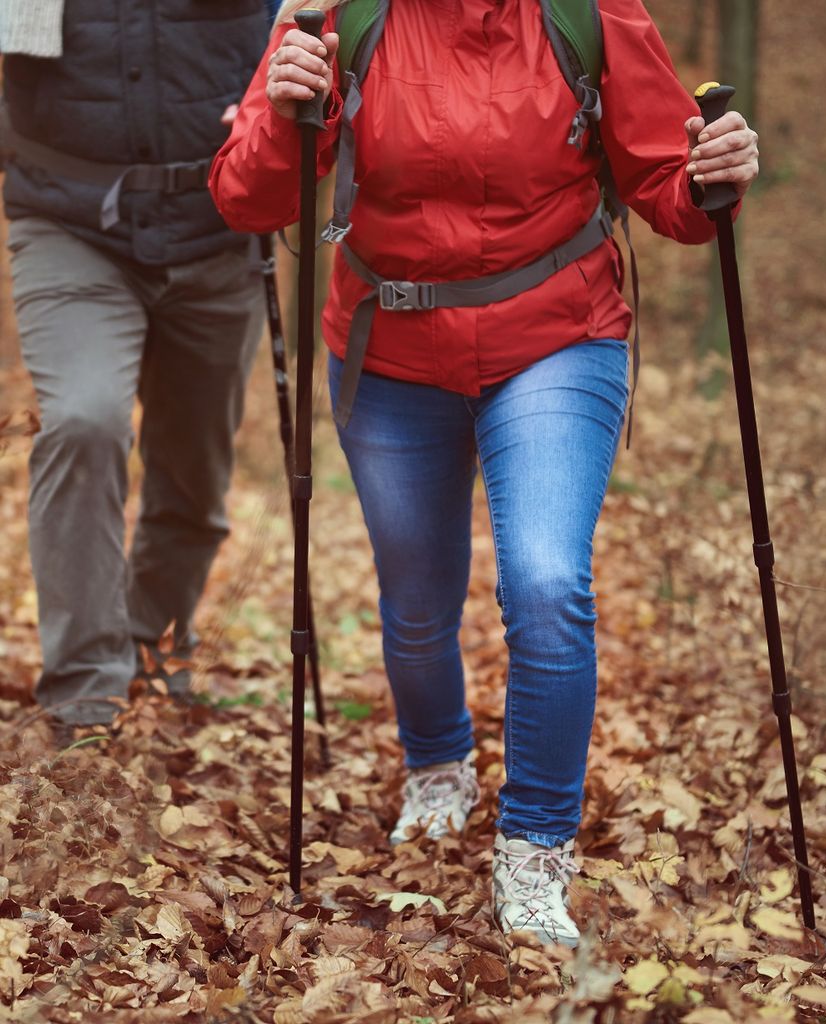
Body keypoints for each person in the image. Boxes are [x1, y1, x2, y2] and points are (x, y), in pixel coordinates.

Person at [210, 0, 758, 947]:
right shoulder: (339, 16)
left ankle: (536, 850)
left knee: (546, 580)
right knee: (417, 596)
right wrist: (293, 111)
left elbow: (667, 186)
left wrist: (710, 174)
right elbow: (249, 200)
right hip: (388, 350)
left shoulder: (588, 14)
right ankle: (437, 767)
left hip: (556, 335)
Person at [1, 0, 270, 731]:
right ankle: (85, 687)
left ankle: (148, 639)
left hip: (219, 233)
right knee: (84, 420)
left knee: (194, 475)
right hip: (69, 225)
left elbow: (320, 44)